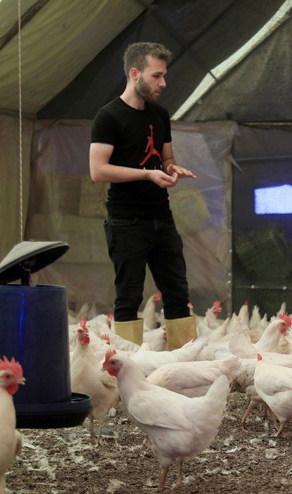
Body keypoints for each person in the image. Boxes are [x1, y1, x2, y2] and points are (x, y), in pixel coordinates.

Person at [89, 42, 197, 349]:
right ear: (135, 73)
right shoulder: (108, 117)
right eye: (156, 76)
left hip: (161, 217)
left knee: (177, 292)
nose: (163, 83)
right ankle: (124, 373)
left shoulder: (160, 115)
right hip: (125, 221)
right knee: (129, 297)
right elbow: (98, 170)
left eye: (164, 76)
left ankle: (184, 364)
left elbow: (165, 159)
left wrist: (173, 169)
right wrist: (147, 174)